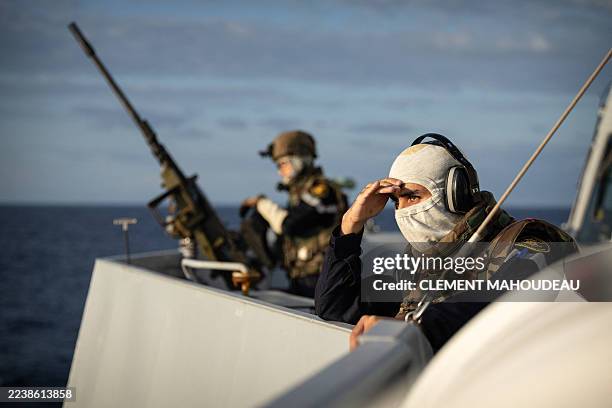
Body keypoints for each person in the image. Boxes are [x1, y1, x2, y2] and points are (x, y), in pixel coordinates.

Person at [315, 133, 577, 352]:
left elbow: (498, 301)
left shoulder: (529, 242)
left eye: (413, 197)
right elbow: (334, 306)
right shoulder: (421, 262)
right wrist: (350, 226)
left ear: (456, 194)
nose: (402, 210)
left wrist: (418, 325)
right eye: (397, 202)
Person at [240, 130, 347, 297]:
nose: (279, 171)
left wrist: (261, 203)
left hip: (319, 277)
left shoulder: (321, 191)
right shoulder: (299, 193)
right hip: (302, 275)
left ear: (298, 161)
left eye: (282, 164)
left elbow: (289, 225)